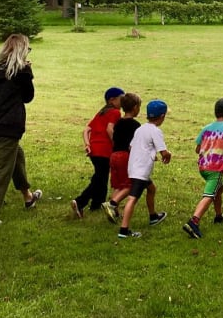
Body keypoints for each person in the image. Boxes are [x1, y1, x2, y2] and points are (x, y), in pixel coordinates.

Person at [0, 34, 42, 227]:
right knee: (0, 169)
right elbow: (28, 97)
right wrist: (29, 71)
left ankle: (28, 197)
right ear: (22, 51)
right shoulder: (22, 72)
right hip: (8, 126)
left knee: (16, 156)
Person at [183, 97, 223, 239]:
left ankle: (218, 216)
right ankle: (194, 221)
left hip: (203, 167)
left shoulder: (206, 128)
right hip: (215, 168)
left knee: (218, 189)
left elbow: (197, 149)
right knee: (209, 195)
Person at [118, 99, 172, 239]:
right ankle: (123, 230)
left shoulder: (140, 129)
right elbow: (163, 152)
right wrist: (168, 155)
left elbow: (131, 146)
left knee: (151, 189)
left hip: (134, 167)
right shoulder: (155, 131)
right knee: (132, 199)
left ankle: (153, 216)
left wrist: (148, 154)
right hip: (141, 171)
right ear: (162, 116)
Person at [70, 87, 124, 219]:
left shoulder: (102, 112)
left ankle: (97, 204)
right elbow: (110, 129)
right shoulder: (115, 112)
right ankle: (80, 202)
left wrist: (87, 144)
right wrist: (117, 144)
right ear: (112, 100)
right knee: (99, 179)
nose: (123, 102)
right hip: (104, 151)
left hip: (94, 150)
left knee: (101, 177)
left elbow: (86, 130)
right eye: (121, 99)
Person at [104, 93, 143, 223]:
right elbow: (135, 144)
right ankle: (112, 204)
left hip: (114, 155)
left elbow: (114, 138)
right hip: (125, 157)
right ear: (135, 107)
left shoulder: (119, 122)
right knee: (130, 185)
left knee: (119, 185)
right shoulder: (135, 125)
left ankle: (113, 212)